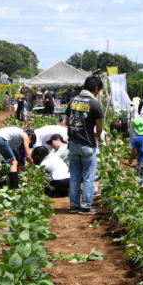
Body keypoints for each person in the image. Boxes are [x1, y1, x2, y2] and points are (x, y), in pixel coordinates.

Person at [65, 75, 104, 214]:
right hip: (87, 144)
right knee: (88, 176)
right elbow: (99, 128)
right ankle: (85, 206)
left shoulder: (72, 100)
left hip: (73, 143)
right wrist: (97, 135)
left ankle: (74, 205)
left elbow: (67, 122)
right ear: (96, 88)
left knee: (75, 176)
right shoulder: (94, 104)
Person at [0, 126, 36, 191]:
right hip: (0, 139)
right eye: (31, 142)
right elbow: (28, 156)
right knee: (13, 163)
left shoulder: (17, 136)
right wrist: (33, 165)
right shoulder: (25, 135)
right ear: (30, 137)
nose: (29, 143)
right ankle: (14, 187)